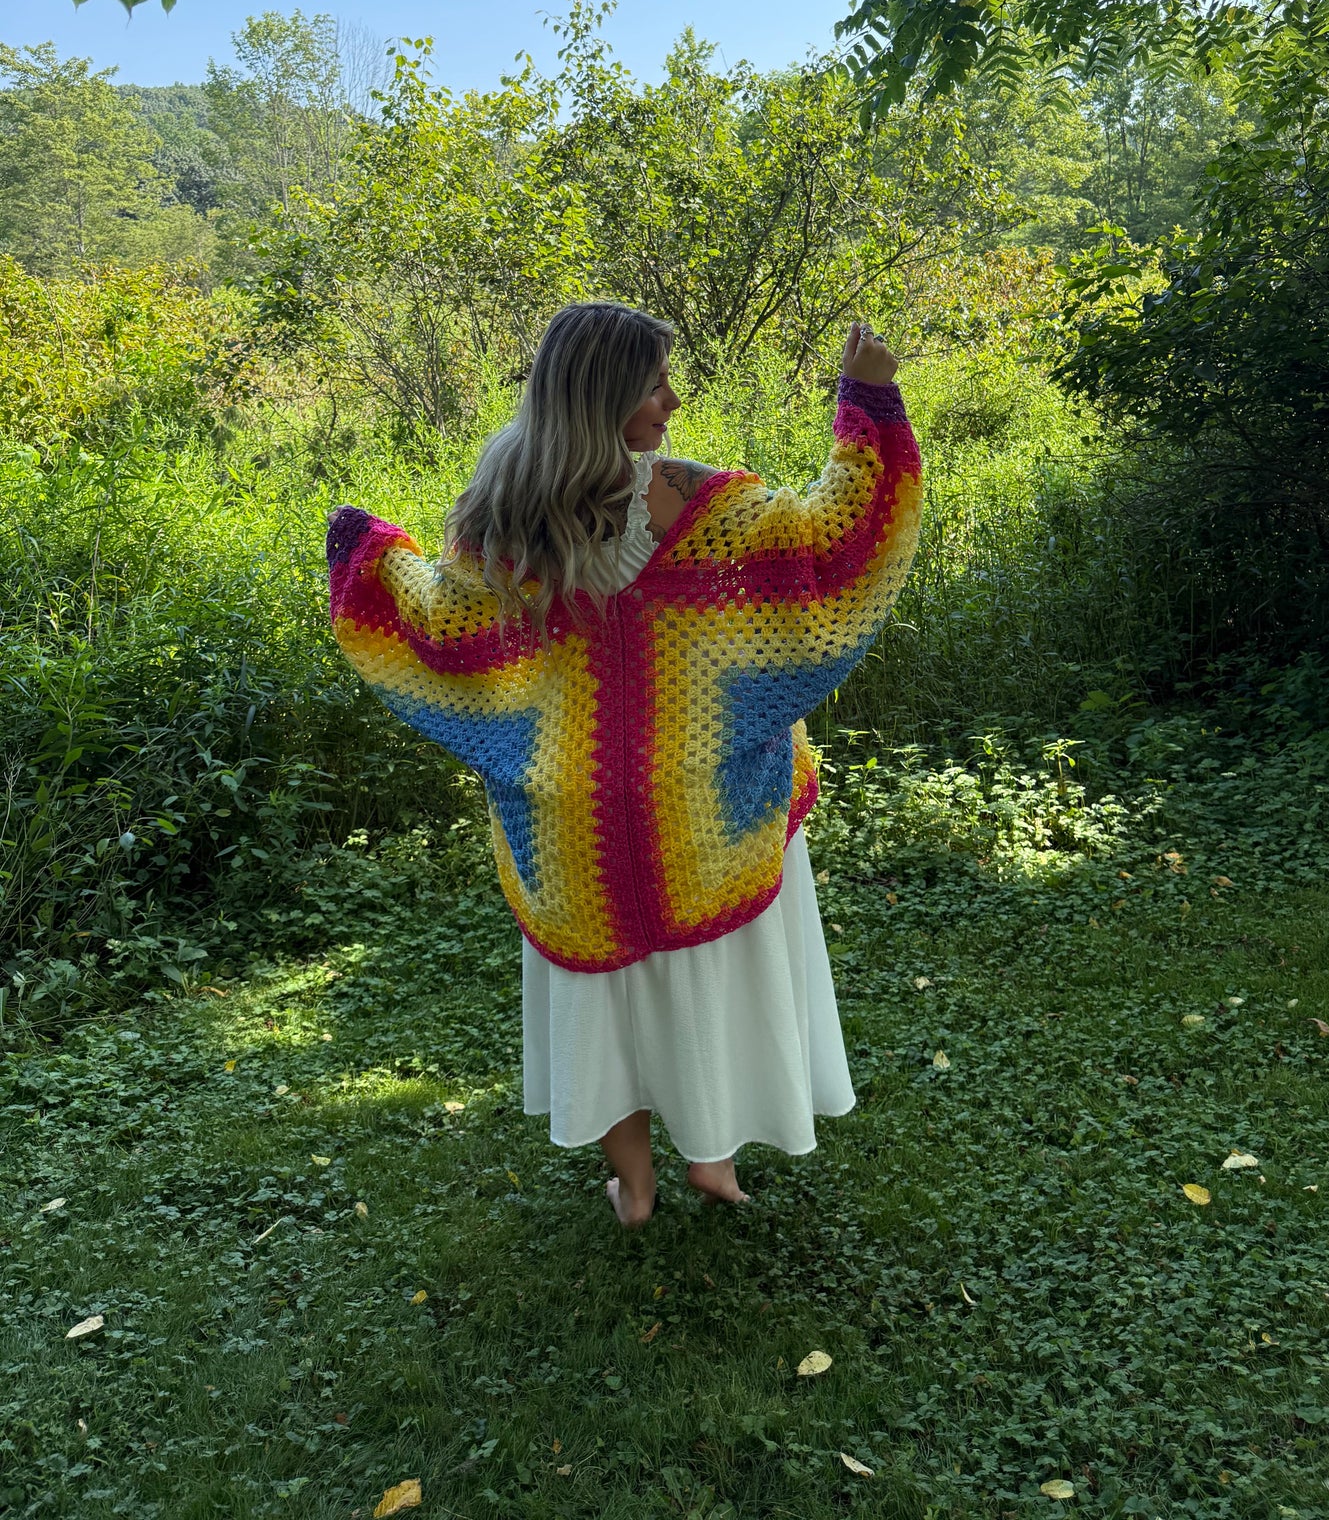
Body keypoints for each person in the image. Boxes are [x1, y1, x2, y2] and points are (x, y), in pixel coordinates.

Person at [326, 302, 921, 1225]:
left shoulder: (501, 517)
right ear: (602, 394)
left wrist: (371, 557)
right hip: (708, 804)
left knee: (603, 1008)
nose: (672, 402)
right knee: (714, 984)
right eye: (653, 385)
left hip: (570, 819)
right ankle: (713, 1163)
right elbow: (831, 549)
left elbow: (441, 627)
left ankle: (635, 1189)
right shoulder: (698, 500)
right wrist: (869, 401)